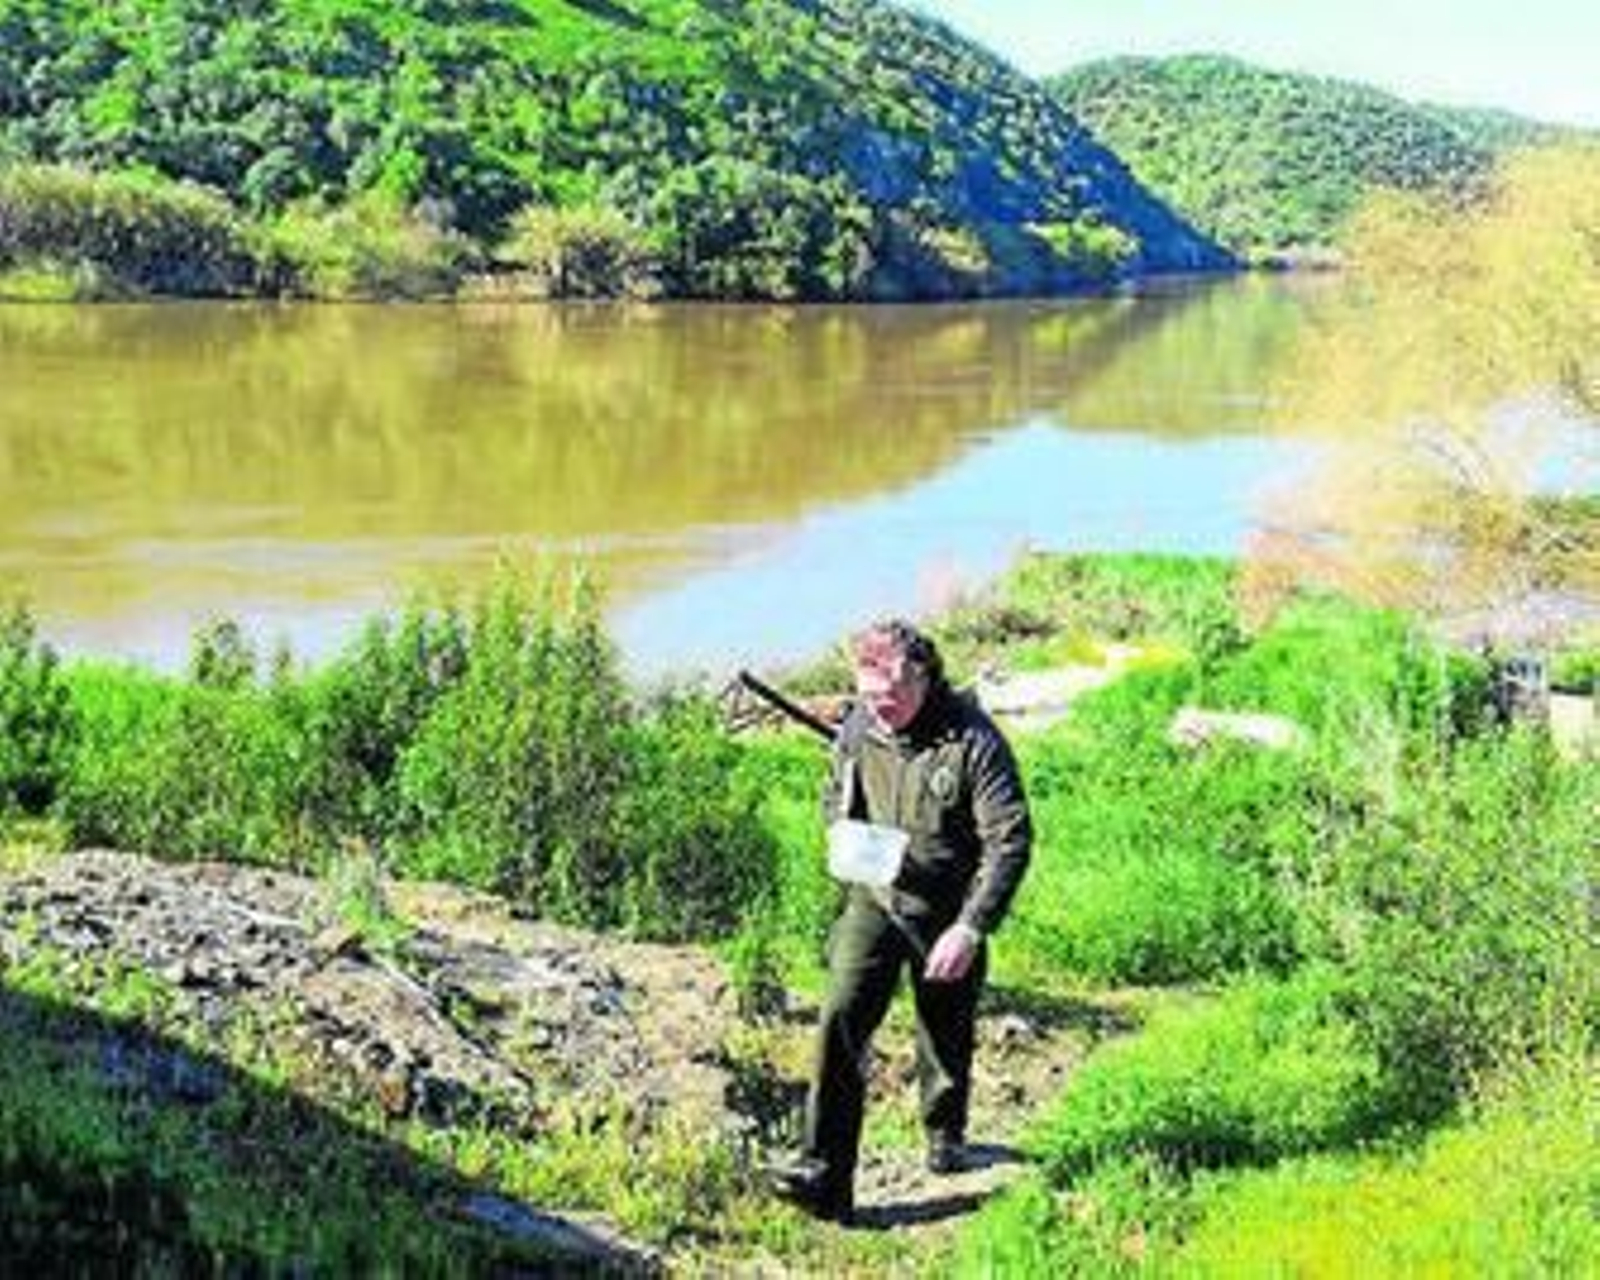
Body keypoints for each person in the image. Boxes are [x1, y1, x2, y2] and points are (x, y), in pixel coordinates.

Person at [771, 618, 1032, 1224]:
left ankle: (945, 1131)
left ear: (923, 678)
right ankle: (824, 1175)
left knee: (945, 1026)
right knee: (840, 1017)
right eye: (868, 697)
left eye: (890, 698)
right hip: (876, 897)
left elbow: (1010, 840)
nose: (879, 710)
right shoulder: (862, 723)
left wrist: (971, 927)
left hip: (948, 909)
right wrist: (841, 833)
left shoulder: (974, 740)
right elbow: (838, 791)